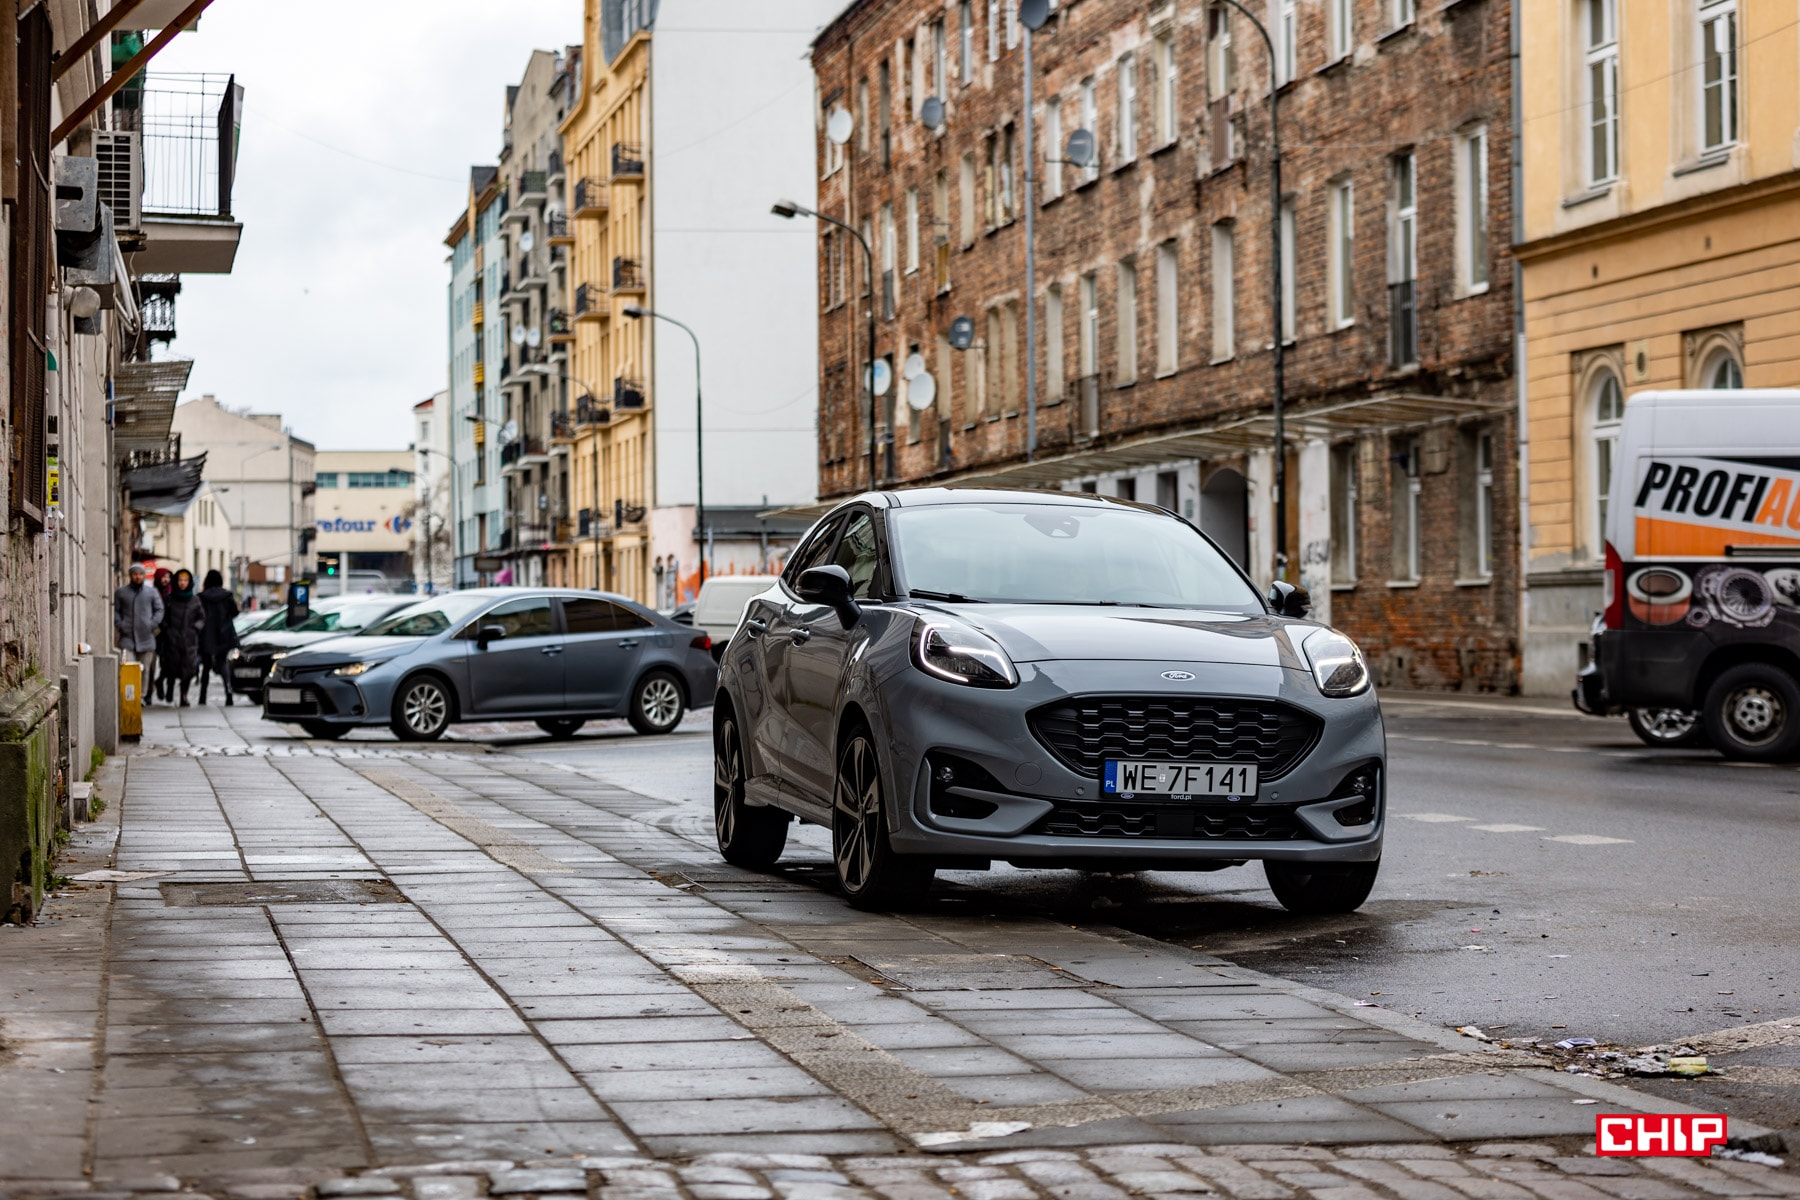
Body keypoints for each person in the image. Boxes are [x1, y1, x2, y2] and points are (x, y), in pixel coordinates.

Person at [113, 563, 165, 706]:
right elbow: (115, 610)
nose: (138, 576)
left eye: (140, 574)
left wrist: (152, 623)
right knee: (128, 667)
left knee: (145, 670)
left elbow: (159, 609)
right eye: (135, 574)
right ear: (131, 575)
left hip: (147, 637)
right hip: (127, 637)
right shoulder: (121, 592)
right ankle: (129, 695)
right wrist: (120, 624)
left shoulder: (151, 592)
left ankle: (141, 696)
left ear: (144, 576)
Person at [161, 569, 206, 707]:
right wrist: (167, 630)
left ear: (189, 582)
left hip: (189, 641)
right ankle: (169, 690)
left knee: (188, 669)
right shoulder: (169, 599)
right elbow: (163, 617)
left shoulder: (195, 600)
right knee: (171, 667)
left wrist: (195, 628)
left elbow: (201, 618)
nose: (182, 583)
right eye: (180, 580)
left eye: (185, 580)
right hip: (172, 640)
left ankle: (184, 696)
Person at [196, 569, 240, 706]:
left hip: (207, 634)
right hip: (224, 634)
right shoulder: (227, 596)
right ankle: (228, 691)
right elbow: (235, 613)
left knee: (207, 666)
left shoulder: (202, 597)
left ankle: (202, 696)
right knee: (222, 664)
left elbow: (198, 615)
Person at [152, 567, 176, 701]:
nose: (166, 580)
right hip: (157, 634)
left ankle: (161, 682)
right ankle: (154, 688)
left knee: (168, 663)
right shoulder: (153, 592)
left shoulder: (172, 592)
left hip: (170, 634)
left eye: (168, 577)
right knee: (156, 664)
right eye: (163, 577)